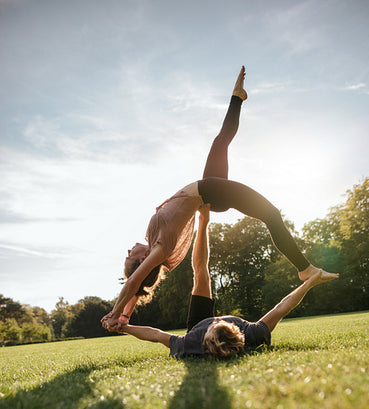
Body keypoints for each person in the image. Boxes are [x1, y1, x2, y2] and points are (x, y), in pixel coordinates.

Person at [101, 66, 338, 331]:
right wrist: (114, 312)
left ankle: (238, 97)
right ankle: (305, 269)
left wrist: (123, 316)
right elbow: (134, 283)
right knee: (271, 214)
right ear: (140, 261)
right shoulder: (160, 250)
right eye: (129, 257)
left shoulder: (151, 239)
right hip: (210, 192)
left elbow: (136, 289)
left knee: (221, 142)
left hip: (209, 193)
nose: (128, 251)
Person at [107, 204, 338, 358]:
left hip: (197, 324)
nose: (215, 321)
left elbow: (156, 335)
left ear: (205, 343)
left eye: (213, 327)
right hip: (222, 336)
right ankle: (204, 221)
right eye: (220, 325)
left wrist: (125, 329)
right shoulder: (251, 333)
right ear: (235, 330)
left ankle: (204, 220)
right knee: (202, 272)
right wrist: (309, 282)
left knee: (200, 273)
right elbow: (282, 307)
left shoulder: (191, 342)